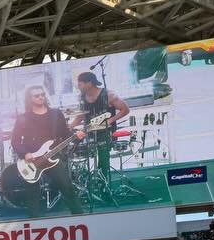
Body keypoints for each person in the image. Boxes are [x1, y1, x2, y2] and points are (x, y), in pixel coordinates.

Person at [10, 86, 85, 218]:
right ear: (29, 99)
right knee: (32, 195)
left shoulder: (55, 114)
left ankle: (80, 218)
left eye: (42, 94)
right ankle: (34, 223)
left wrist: (76, 136)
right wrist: (25, 154)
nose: (41, 97)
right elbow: (15, 141)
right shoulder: (23, 118)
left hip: (52, 156)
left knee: (67, 187)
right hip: (32, 161)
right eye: (36, 95)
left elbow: (65, 134)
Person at [74, 71, 129, 195]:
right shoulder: (81, 97)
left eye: (80, 83)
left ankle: (104, 185)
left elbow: (125, 109)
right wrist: (70, 126)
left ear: (89, 83)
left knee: (103, 159)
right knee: (79, 152)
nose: (78, 86)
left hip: (106, 131)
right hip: (89, 131)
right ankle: (86, 181)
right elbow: (81, 115)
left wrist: (110, 120)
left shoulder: (108, 95)